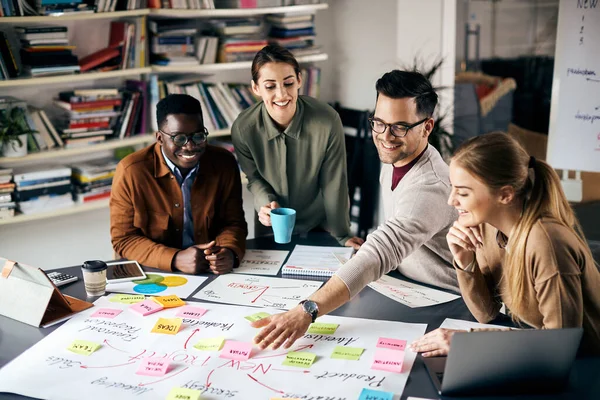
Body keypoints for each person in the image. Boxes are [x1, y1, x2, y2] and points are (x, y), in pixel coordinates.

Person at [251, 70, 459, 350]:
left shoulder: (430, 185)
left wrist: (307, 310)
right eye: (379, 123)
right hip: (406, 288)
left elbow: (383, 250)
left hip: (444, 304)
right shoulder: (397, 156)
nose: (386, 136)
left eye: (400, 126)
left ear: (427, 127)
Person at [410, 132, 600, 356]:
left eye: (463, 192)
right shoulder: (487, 225)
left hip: (585, 362)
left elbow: (560, 344)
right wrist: (465, 261)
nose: (451, 201)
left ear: (506, 195)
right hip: (542, 349)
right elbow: (486, 314)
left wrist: (469, 343)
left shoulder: (546, 243)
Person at [231, 45, 362, 248]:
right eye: (270, 86)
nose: (282, 94)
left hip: (321, 225)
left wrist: (342, 236)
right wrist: (265, 205)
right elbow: (254, 178)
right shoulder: (243, 128)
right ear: (256, 88)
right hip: (272, 227)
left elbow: (333, 182)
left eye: (288, 83)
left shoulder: (327, 120)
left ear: (299, 80)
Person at [110, 94, 247, 275]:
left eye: (198, 136)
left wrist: (228, 251)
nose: (190, 146)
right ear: (159, 138)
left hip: (209, 271)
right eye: (179, 139)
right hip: (153, 271)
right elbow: (124, 239)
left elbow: (233, 223)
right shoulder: (131, 171)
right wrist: (175, 258)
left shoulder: (224, 162)